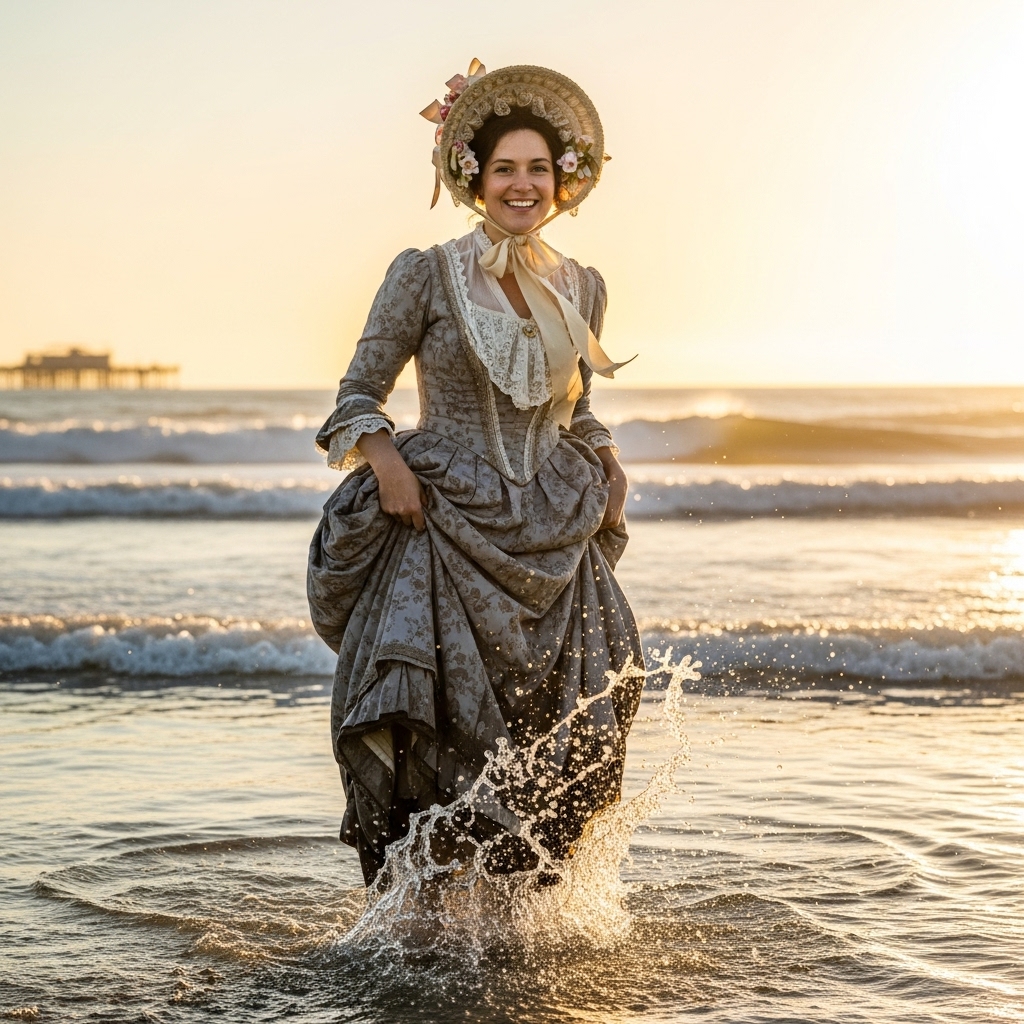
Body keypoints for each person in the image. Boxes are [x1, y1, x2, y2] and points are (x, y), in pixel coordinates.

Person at [308, 61, 645, 887]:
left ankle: (513, 940)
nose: (522, 185)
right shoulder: (424, 272)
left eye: (539, 168)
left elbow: (575, 405)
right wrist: (385, 460)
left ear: (564, 179)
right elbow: (359, 393)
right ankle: (419, 936)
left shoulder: (584, 286)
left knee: (564, 729)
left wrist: (608, 462)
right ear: (474, 177)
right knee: (437, 734)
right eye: (505, 169)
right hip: (439, 523)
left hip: (558, 533)